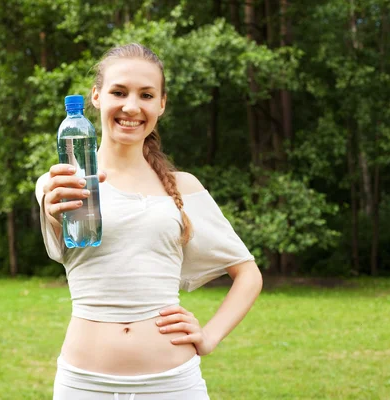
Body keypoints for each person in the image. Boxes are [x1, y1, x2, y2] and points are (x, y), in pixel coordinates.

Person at [35, 43, 263, 400]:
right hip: (84, 385)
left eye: (146, 94)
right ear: (96, 96)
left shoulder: (183, 187)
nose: (131, 106)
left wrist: (210, 335)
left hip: (173, 385)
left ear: (161, 104)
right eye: (118, 92)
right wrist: (51, 210)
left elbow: (247, 273)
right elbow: (58, 236)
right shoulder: (64, 181)